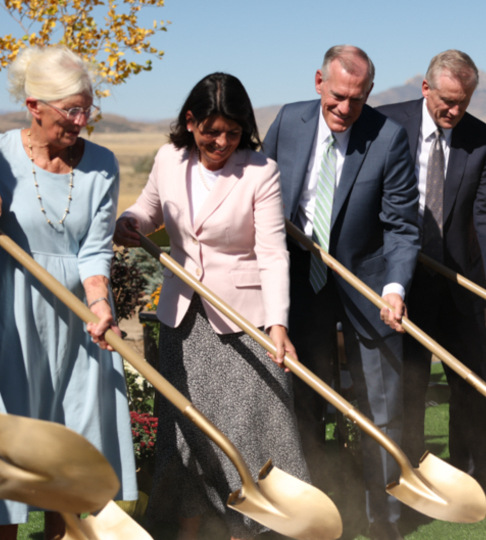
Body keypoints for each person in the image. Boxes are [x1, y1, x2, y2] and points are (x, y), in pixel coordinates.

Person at [114, 72, 309, 540]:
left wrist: (278, 324)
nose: (221, 141)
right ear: (190, 121)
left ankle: (258, 529)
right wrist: (130, 220)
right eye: (211, 130)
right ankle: (188, 529)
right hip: (183, 319)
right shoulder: (168, 159)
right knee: (184, 431)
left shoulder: (261, 171)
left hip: (245, 319)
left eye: (233, 132)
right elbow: (149, 207)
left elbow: (272, 252)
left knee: (251, 427)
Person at [0, 46, 137, 539]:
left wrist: (100, 305)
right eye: (71, 110)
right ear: (34, 106)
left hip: (80, 318)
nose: (81, 120)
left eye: (87, 108)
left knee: (72, 444)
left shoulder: (102, 164)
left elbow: (95, 250)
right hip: (10, 314)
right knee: (11, 443)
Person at [263, 45, 420, 540]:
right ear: (318, 82)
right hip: (297, 284)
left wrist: (394, 288)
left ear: (369, 93)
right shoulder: (289, 122)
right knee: (302, 404)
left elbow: (401, 225)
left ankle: (385, 520)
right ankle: (314, 515)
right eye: (336, 96)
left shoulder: (389, 136)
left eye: (356, 98)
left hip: (365, 288)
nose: (345, 108)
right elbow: (258, 189)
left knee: (381, 404)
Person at [377, 50, 486, 513]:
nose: (454, 111)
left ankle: (478, 480)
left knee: (471, 386)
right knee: (408, 388)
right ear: (426, 88)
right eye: (447, 101)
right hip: (401, 287)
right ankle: (413, 480)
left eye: (464, 101)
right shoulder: (384, 124)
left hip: (459, 285)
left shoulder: (482, 139)